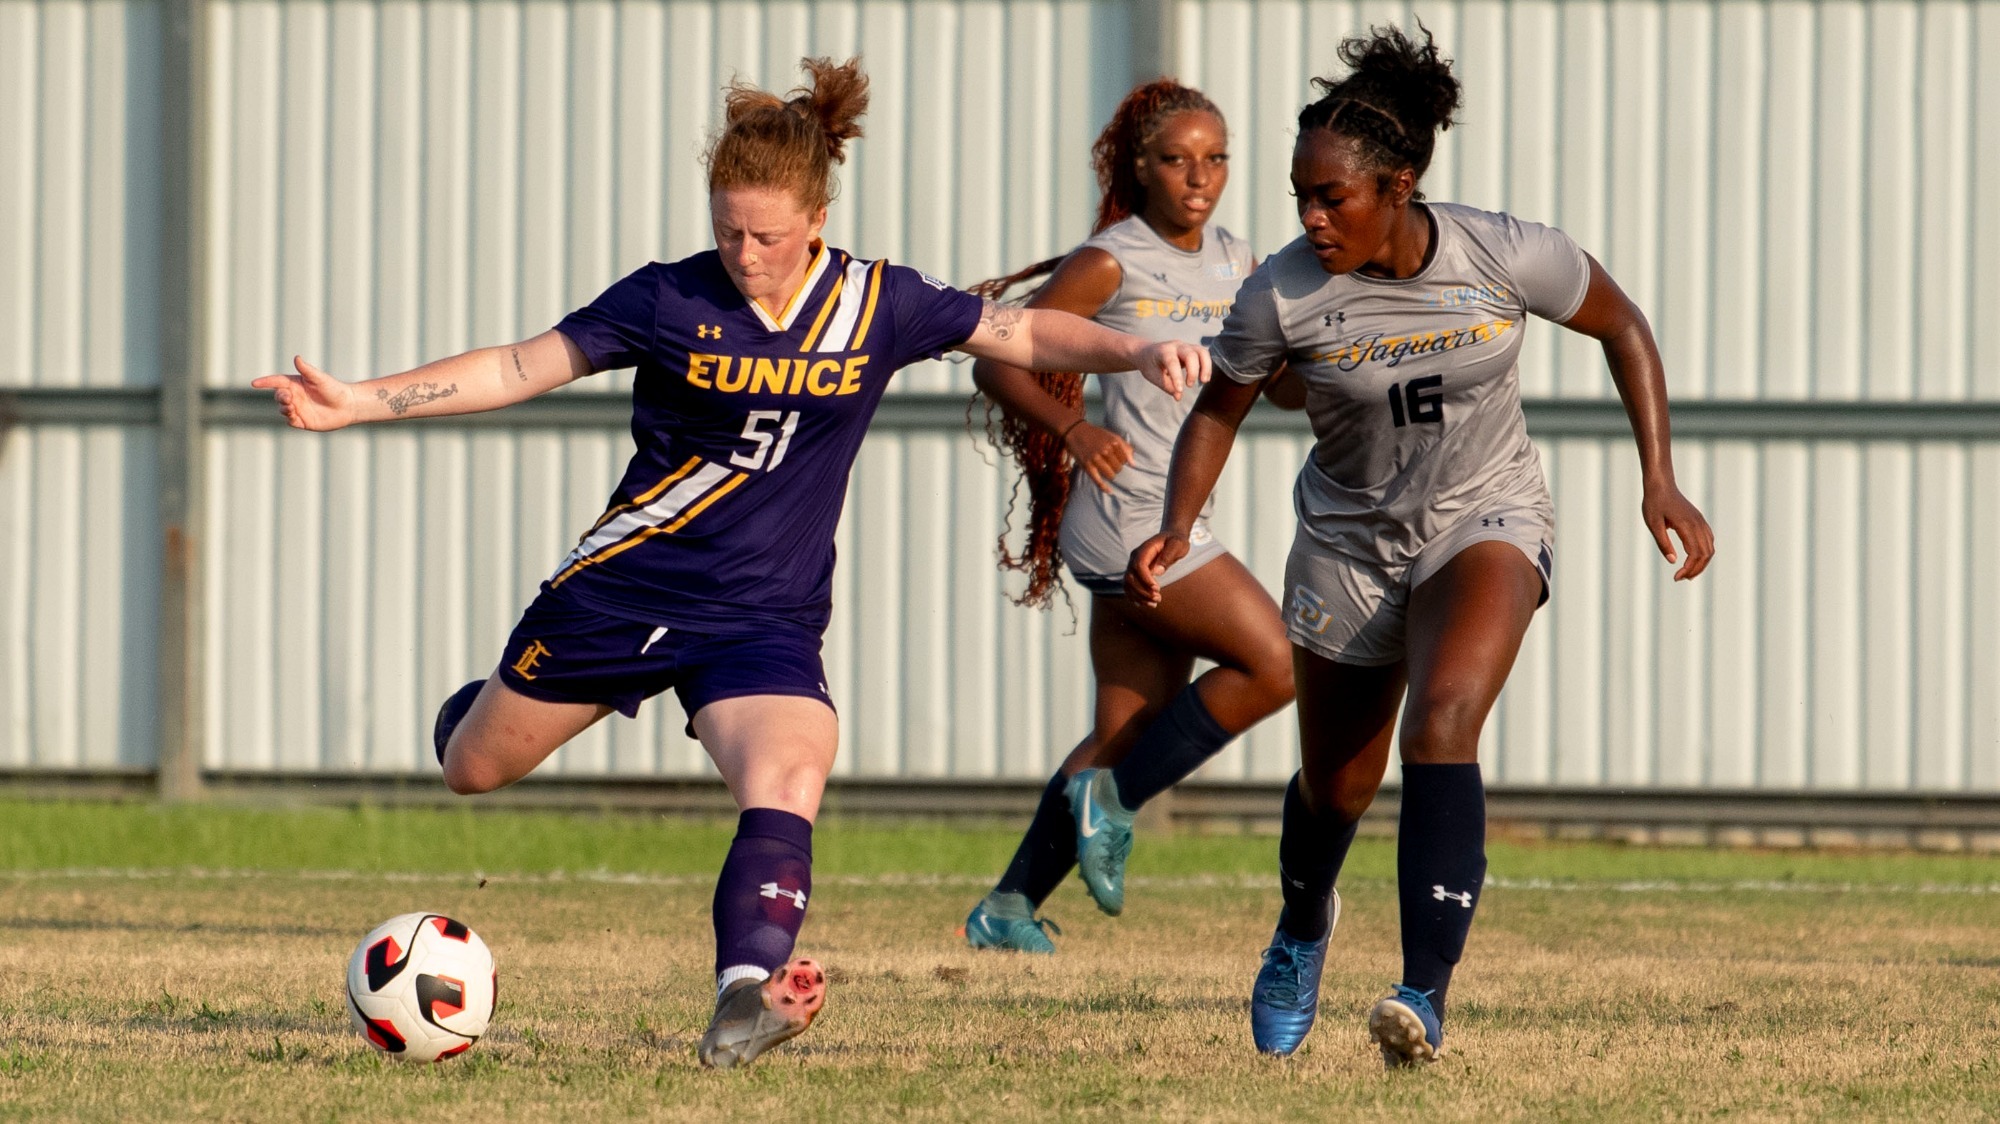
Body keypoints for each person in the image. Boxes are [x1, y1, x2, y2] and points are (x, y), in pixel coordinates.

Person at [253, 57, 1210, 1071]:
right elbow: (519, 365)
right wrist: (360, 401)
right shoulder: (668, 298)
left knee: (792, 768)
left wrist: (1134, 351)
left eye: (766, 236)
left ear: (817, 218)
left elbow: (1020, 331)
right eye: (727, 233)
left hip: (763, 614)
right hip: (623, 591)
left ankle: (742, 993)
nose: (745, 255)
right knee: (472, 767)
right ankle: (481, 704)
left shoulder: (877, 302)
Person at [1125, 26, 1714, 1066]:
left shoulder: (1503, 252)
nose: (1310, 218)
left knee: (1442, 721)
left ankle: (1420, 996)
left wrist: (1657, 476)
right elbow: (1219, 408)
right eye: (1299, 197)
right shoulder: (1281, 292)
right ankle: (1300, 927)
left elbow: (1622, 324)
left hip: (1486, 517)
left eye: (1331, 198)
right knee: (1336, 788)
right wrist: (1176, 523)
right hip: (1348, 545)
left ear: (1398, 187)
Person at [961, 80, 1300, 953]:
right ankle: (1113, 801)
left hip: (1168, 514)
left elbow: (1280, 388)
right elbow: (996, 359)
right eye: (1178, 160)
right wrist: (1073, 429)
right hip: (1128, 519)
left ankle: (1007, 909)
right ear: (1140, 167)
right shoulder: (1111, 260)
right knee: (1276, 663)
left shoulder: (1237, 260)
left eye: (1216, 158)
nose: (1200, 177)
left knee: (1125, 730)